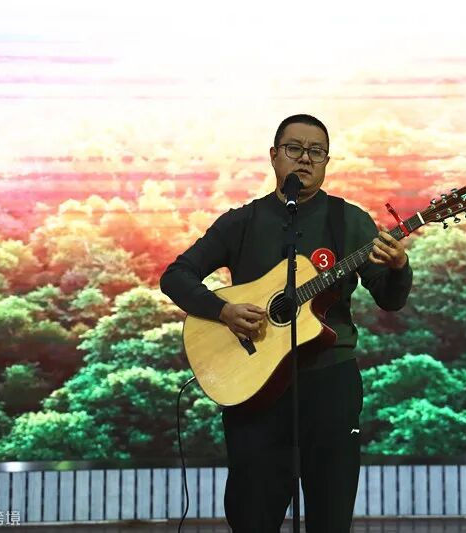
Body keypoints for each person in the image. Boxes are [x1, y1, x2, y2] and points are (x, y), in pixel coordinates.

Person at [159, 114, 413, 532]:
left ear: (327, 161)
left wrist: (399, 267)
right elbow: (176, 276)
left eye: (317, 152)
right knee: (252, 516)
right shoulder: (242, 221)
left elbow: (390, 298)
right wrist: (222, 310)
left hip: (330, 382)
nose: (305, 159)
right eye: (295, 149)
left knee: (330, 517)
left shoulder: (348, 221)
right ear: (274, 156)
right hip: (253, 386)